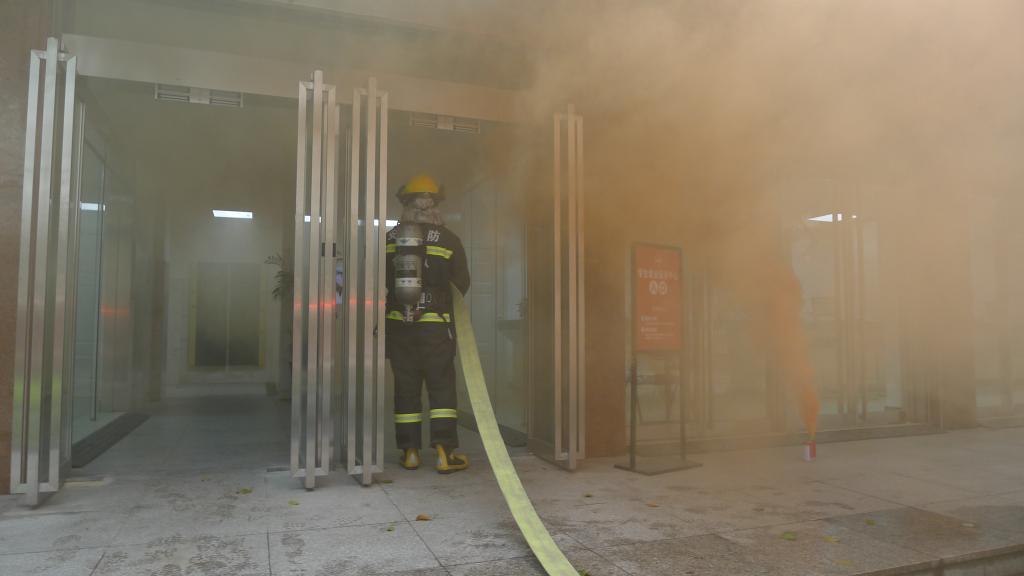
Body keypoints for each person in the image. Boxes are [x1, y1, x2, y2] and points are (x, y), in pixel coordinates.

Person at [385, 174, 471, 474]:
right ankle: (445, 453)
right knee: (441, 387)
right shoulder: (449, 239)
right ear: (435, 204)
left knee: (405, 387)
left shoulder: (391, 238)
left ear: (406, 203)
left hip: (399, 327)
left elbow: (380, 280)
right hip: (436, 327)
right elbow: (462, 283)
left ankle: (409, 452)